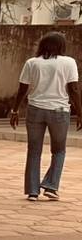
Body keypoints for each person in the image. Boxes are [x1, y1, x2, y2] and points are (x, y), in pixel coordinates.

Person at [9, 31, 81, 201]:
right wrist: (80, 112)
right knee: (59, 150)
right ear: (62, 46)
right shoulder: (69, 62)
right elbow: (74, 89)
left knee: (34, 151)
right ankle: (50, 186)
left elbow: (22, 89)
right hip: (59, 111)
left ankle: (33, 191)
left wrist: (15, 110)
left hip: (35, 110)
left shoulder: (32, 63)